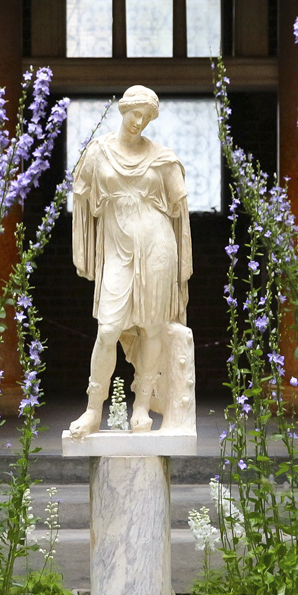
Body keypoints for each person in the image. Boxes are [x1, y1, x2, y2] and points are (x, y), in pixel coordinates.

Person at [68, 86, 195, 438]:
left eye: (146, 116)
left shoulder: (163, 158)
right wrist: (86, 247)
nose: (139, 121)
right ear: (123, 110)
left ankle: (141, 407)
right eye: (134, 113)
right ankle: (94, 409)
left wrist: (181, 264)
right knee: (108, 329)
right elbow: (80, 196)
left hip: (157, 249)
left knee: (152, 327)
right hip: (118, 250)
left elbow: (179, 215)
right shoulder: (98, 153)